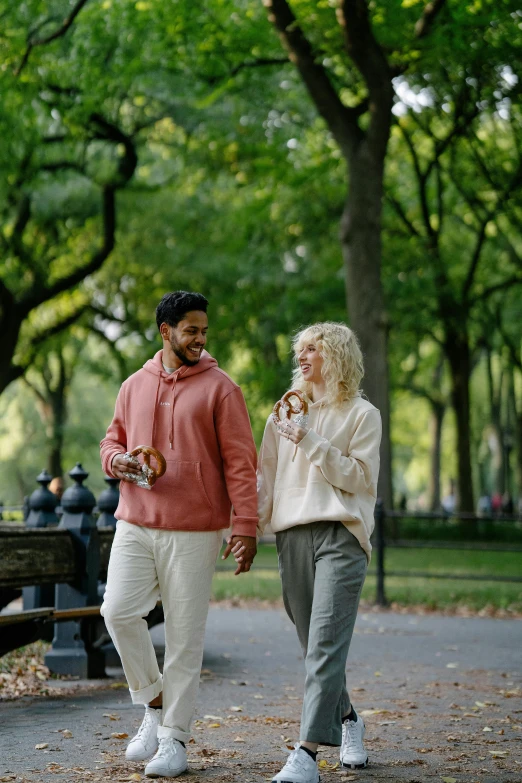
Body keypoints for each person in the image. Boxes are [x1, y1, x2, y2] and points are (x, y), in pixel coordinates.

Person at [100, 291, 258, 779]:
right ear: (165, 331)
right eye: (191, 330)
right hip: (136, 520)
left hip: (194, 530)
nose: (200, 339)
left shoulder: (221, 388)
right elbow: (112, 439)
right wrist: (116, 461)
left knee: (185, 639)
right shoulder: (134, 384)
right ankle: (153, 702)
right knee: (117, 611)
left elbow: (240, 461)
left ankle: (175, 740)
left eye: (204, 331)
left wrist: (246, 525)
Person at [232, 321, 382, 783]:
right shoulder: (284, 412)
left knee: (323, 646)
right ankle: (350, 720)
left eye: (313, 349)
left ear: (334, 356)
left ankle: (306, 754)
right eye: (301, 348)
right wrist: (247, 529)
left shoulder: (362, 414)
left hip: (341, 536)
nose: (303, 356)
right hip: (292, 537)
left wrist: (310, 440)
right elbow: (267, 477)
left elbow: (360, 478)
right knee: (312, 645)